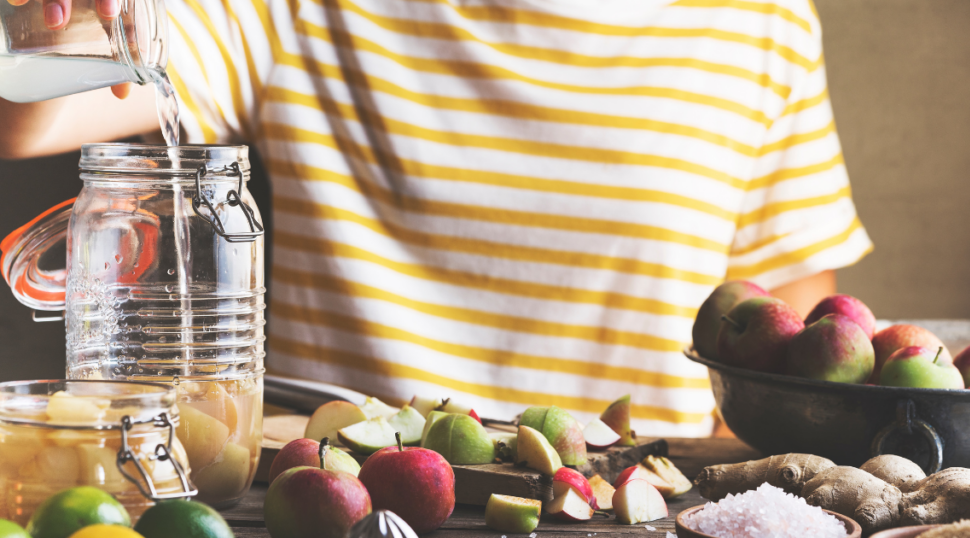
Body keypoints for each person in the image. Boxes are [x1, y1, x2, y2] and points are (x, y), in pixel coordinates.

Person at [0, 0, 872, 437]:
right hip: (326, 506)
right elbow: (29, 108)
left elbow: (782, 368)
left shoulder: (763, 22)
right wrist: (45, 17)